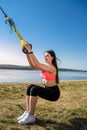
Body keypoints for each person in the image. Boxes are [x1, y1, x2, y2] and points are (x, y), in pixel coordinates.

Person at [17, 43, 60, 125]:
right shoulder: (45, 67)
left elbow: (37, 64)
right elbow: (33, 65)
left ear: (52, 57)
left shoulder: (52, 68)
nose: (45, 57)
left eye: (47, 55)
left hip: (53, 93)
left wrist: (30, 50)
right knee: (30, 86)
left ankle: (31, 116)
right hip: (48, 90)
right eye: (44, 56)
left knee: (34, 89)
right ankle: (28, 112)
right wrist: (27, 53)